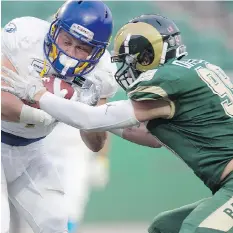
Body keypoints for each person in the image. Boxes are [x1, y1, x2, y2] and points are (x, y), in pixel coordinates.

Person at [4, 13, 233, 233]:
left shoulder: (167, 80)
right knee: (164, 227)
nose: (126, 68)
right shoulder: (197, 70)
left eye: (129, 60)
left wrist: (39, 95)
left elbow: (90, 119)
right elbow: (151, 138)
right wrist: (91, 108)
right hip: (225, 185)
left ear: (146, 56)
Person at [1, 1, 115, 233]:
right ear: (54, 30)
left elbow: (95, 142)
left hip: (31, 151)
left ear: (98, 52)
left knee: (56, 224)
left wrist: (89, 112)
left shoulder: (101, 72)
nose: (69, 54)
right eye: (66, 41)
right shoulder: (25, 36)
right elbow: (2, 101)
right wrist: (39, 115)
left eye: (82, 48)